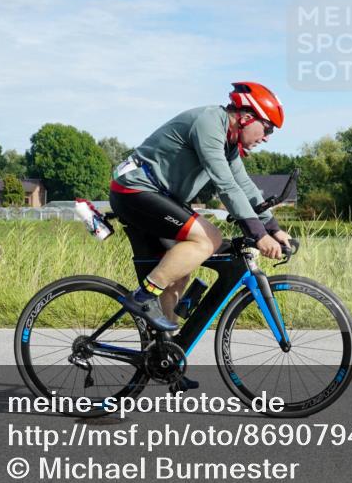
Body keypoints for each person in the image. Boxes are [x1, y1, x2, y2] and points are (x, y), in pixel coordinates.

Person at [108, 82, 293, 351]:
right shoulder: (209, 124)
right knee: (209, 239)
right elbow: (226, 186)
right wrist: (259, 235)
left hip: (159, 196)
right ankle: (142, 297)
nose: (266, 137)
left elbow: (244, 185)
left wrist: (273, 228)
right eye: (267, 128)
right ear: (246, 117)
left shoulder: (228, 142)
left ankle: (165, 353)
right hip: (134, 190)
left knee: (180, 272)